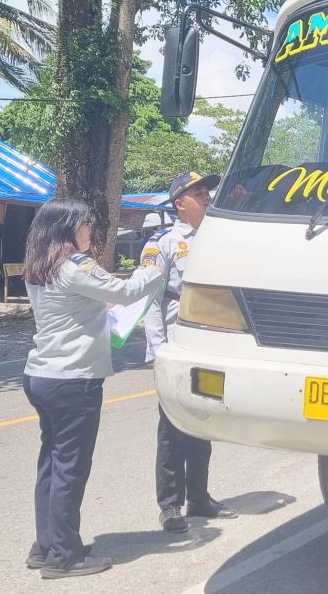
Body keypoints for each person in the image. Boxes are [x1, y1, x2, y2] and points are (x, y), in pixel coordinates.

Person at [22, 198, 163, 579]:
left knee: (51, 463)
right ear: (68, 229)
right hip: (73, 379)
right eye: (86, 226)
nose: (91, 233)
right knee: (70, 467)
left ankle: (47, 544)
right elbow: (126, 291)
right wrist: (155, 264)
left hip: (41, 375)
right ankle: (65, 556)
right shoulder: (75, 266)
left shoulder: (39, 267)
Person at [142, 172, 239, 533]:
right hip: (175, 345)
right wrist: (156, 351)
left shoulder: (218, 238)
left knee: (202, 421)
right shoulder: (164, 243)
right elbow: (149, 299)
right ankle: (169, 505)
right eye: (199, 192)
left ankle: (199, 497)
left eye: (207, 190)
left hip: (210, 345)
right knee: (172, 428)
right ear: (180, 204)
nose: (207, 196)